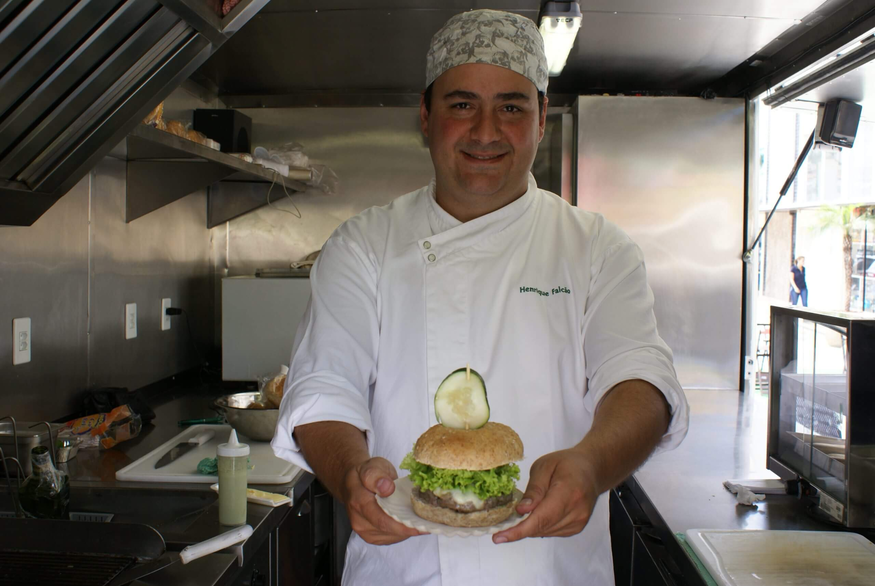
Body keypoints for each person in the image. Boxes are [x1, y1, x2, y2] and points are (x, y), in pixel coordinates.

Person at [272, 10, 689, 586]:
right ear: (426, 116)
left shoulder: (597, 248)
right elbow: (324, 388)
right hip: (403, 568)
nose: (486, 131)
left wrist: (591, 466)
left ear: (541, 119)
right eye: (462, 104)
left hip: (550, 571)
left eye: (512, 107)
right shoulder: (364, 245)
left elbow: (640, 379)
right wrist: (350, 474)